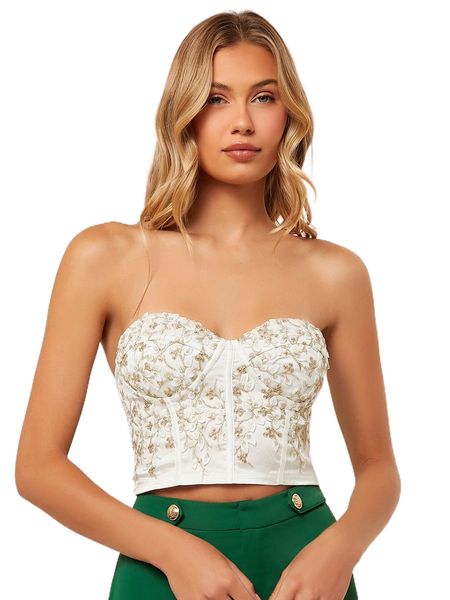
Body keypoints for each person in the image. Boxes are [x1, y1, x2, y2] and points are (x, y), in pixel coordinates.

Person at [15, 9, 401, 600]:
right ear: (185, 113)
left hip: (307, 568)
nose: (242, 121)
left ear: (289, 115)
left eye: (264, 97)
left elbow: (379, 469)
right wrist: (174, 552)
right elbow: (37, 468)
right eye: (217, 98)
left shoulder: (336, 273)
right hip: (160, 565)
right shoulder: (104, 257)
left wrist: (339, 550)